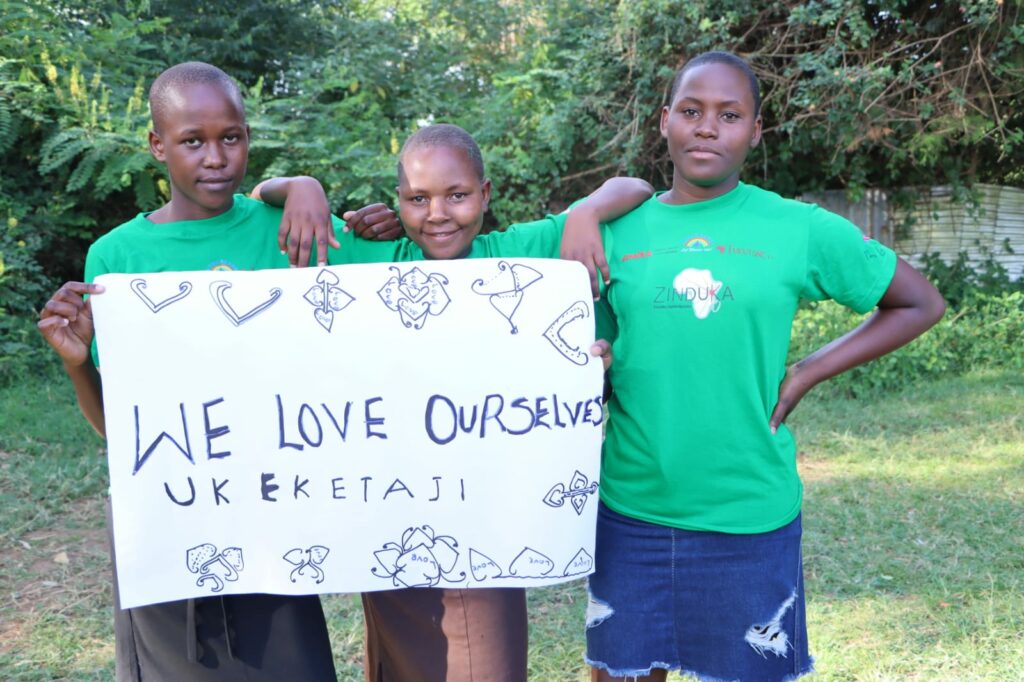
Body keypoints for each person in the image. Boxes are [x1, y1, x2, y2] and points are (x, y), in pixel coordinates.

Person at [563, 51, 947, 682]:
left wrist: (807, 370)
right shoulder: (618, 229)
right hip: (632, 510)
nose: (707, 127)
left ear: (755, 132)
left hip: (748, 512)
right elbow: (595, 352)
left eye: (729, 114)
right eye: (691, 111)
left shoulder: (796, 227)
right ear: (665, 122)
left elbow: (918, 302)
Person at [256, 123, 652, 682]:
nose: (438, 214)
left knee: (483, 661)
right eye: (418, 199)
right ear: (398, 202)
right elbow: (257, 204)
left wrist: (584, 212)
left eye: (457, 195)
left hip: (486, 528)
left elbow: (635, 187)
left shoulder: (518, 253)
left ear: (486, 194)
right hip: (391, 521)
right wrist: (302, 186)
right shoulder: (377, 259)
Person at [34, 61, 361, 681]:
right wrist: (79, 368)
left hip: (273, 509)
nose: (216, 157)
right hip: (169, 515)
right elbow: (122, 431)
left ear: (247, 138)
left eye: (231, 137)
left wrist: (307, 186)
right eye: (192, 141)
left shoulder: (291, 230)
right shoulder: (117, 257)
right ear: (158, 145)